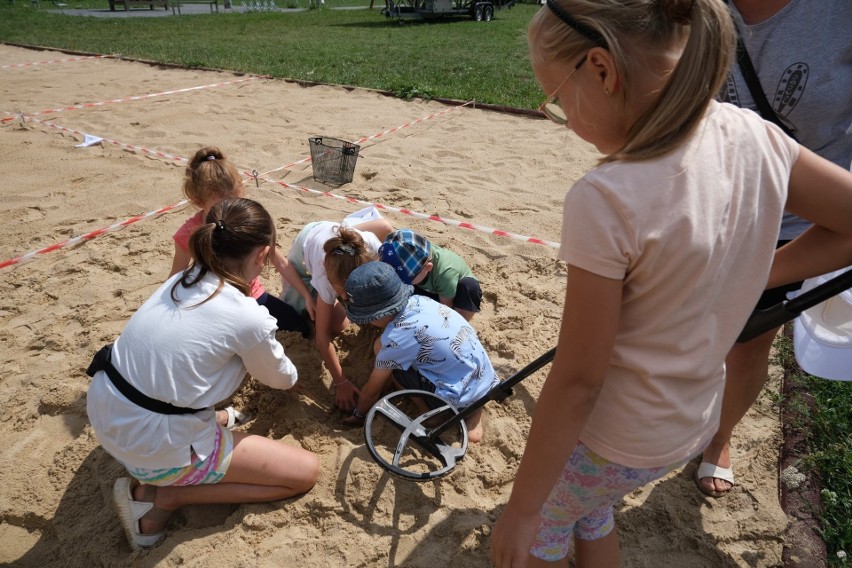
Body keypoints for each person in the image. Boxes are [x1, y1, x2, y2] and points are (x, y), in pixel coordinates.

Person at [489, 0, 852, 566]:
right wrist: (760, 269)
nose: (561, 115)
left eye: (556, 99)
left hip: (613, 435)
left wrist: (521, 509)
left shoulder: (605, 198)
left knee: (546, 525)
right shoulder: (754, 135)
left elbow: (579, 379)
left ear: (602, 70)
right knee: (592, 508)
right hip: (688, 424)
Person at [87, 198, 320, 551]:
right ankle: (170, 497)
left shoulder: (183, 278)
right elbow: (279, 377)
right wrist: (292, 377)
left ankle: (207, 431)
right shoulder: (247, 315)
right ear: (263, 255)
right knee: (304, 473)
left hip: (107, 409)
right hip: (153, 445)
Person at [695, 0, 852, 498]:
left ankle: (719, 437)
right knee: (671, 325)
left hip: (797, 222)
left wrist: (754, 275)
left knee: (747, 344)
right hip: (695, 206)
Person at [339, 261, 498, 442]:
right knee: (389, 352)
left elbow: (371, 392)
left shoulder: (396, 340)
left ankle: (432, 413)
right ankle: (475, 411)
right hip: (484, 380)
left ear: (377, 314)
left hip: (457, 398)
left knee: (396, 373)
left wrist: (359, 415)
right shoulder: (421, 301)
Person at [170, 146, 312, 338]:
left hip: (252, 295)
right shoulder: (189, 233)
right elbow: (174, 280)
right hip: (215, 305)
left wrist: (306, 295)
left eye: (234, 202)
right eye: (219, 206)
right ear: (198, 201)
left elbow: (280, 262)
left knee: (299, 326)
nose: (228, 210)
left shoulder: (248, 222)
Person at [278, 207, 394, 412]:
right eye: (340, 293)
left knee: (345, 323)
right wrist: (341, 383)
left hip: (342, 237)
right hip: (306, 246)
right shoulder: (324, 277)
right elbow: (321, 338)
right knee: (301, 314)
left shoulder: (371, 248)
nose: (343, 299)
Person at [379, 229, 482, 321]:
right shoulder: (418, 250)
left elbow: (445, 309)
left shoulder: (445, 273)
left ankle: (461, 322)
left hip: (452, 294)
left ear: (428, 267)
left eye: (406, 278)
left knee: (470, 286)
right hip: (427, 285)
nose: (401, 280)